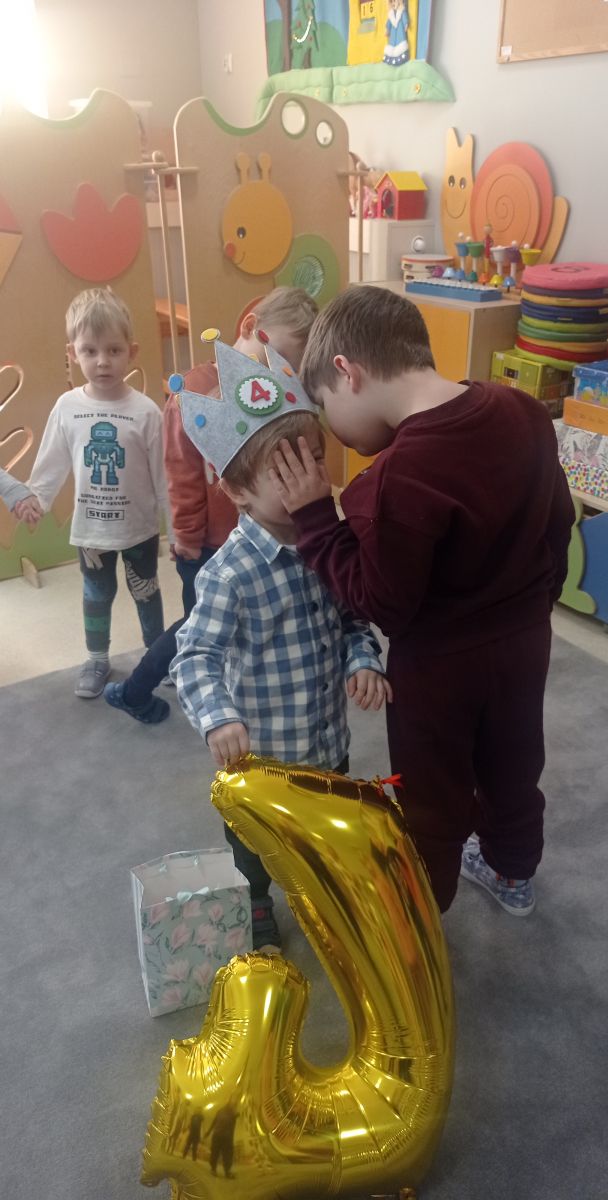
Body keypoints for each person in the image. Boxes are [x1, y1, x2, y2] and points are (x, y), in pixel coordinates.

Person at [268, 284, 575, 917]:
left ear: (346, 372)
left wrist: (317, 520)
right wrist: (532, 606)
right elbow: (557, 523)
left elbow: (381, 603)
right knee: (515, 762)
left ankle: (424, 916)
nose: (335, 433)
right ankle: (514, 874)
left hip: (438, 671)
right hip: (524, 643)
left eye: (325, 406)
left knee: (432, 796)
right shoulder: (524, 412)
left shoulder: (394, 479)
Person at [171, 332, 390, 952]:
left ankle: (321, 890)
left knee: (323, 834)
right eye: (286, 472)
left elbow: (352, 618)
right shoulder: (229, 574)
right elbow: (195, 657)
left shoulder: (329, 541)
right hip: (263, 759)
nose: (310, 482)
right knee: (255, 845)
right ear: (238, 490)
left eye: (315, 461)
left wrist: (364, 659)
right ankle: (256, 900)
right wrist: (217, 718)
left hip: (327, 746)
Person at [103, 286, 319, 724]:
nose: (281, 372)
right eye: (279, 356)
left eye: (292, 367)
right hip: (208, 546)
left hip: (263, 539)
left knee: (242, 624)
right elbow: (182, 476)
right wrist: (185, 536)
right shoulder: (192, 393)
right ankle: (134, 690)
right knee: (194, 626)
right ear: (250, 327)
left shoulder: (277, 395)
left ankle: (224, 685)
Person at [28, 287, 172, 698]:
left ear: (132, 352)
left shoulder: (146, 412)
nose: (102, 361)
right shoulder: (67, 407)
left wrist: (177, 528)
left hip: (139, 529)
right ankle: (96, 658)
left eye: (113, 350)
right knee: (96, 594)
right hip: (91, 531)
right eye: (90, 351)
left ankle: (156, 656)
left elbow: (164, 475)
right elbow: (52, 460)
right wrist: (37, 499)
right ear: (72, 353)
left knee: (146, 591)